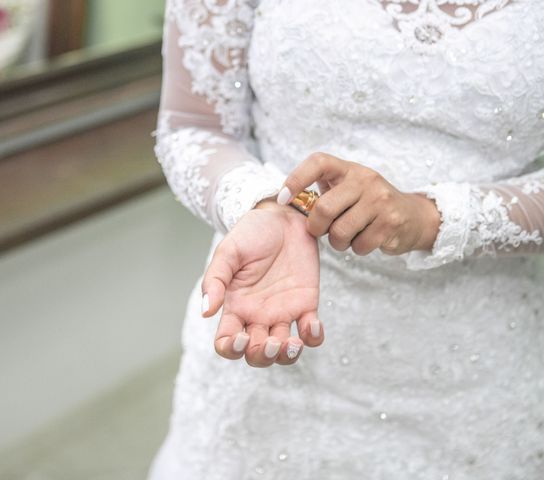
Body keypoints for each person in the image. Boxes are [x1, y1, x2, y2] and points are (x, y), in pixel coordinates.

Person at [149, 1, 544, 478]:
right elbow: (195, 127)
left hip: (476, 366)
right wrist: (265, 204)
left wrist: (431, 218)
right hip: (269, 311)